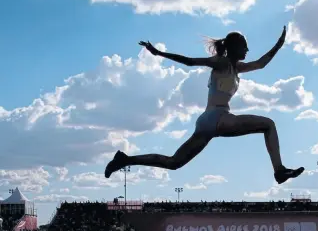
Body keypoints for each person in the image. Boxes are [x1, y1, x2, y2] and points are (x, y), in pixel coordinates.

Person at [105, 26, 304, 184]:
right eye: (244, 46)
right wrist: (158, 53)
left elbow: (261, 63)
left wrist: (279, 45)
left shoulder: (237, 68)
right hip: (219, 118)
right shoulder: (221, 62)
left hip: (207, 122)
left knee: (174, 162)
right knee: (268, 124)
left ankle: (125, 159)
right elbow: (190, 61)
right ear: (234, 48)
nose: (248, 50)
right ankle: (278, 170)